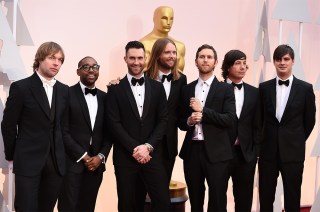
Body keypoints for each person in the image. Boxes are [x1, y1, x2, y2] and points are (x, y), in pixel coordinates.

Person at [1, 41, 69, 211]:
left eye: (60, 60)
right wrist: (12, 154)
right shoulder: (21, 87)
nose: (56, 63)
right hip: (28, 160)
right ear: (40, 58)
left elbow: (63, 126)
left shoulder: (64, 90)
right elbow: (8, 124)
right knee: (25, 208)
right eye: (52, 58)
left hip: (56, 163)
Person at [106, 40, 170, 211]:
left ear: (146, 58)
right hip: (125, 158)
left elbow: (163, 120)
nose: (136, 62)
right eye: (132, 58)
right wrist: (136, 148)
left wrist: (148, 147)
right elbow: (113, 123)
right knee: (128, 205)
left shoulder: (157, 88)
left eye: (140, 58)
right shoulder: (114, 89)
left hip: (153, 156)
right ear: (125, 59)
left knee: (163, 203)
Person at [178, 44, 236, 211]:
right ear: (196, 61)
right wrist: (189, 120)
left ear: (216, 62)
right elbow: (180, 121)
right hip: (192, 151)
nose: (205, 60)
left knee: (217, 200)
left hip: (218, 152)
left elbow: (230, 119)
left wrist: (204, 111)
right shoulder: (187, 89)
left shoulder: (225, 89)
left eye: (209, 57)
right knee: (195, 199)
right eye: (202, 57)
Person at [258, 44, 316, 211]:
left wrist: (295, 139)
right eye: (278, 59)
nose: (282, 63)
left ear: (292, 61)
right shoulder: (264, 88)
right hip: (268, 151)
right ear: (274, 62)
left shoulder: (305, 89)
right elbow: (259, 119)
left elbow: (309, 120)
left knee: (292, 196)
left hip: (293, 152)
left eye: (286, 59)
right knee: (266, 196)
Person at [58, 56, 112, 212]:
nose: (91, 70)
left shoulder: (105, 97)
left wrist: (100, 156)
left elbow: (110, 133)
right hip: (71, 164)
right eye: (86, 67)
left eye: (95, 67)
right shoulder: (66, 94)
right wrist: (84, 156)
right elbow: (63, 130)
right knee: (67, 207)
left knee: (88, 207)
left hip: (96, 166)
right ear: (78, 71)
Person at [221, 50, 259, 212]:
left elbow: (258, 124)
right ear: (228, 67)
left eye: (244, 63)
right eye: (237, 63)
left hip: (245, 155)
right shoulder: (217, 89)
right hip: (220, 153)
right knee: (217, 198)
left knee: (244, 200)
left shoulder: (254, 92)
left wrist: (255, 151)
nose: (242, 67)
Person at [140, 6, 186, 71]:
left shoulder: (180, 46)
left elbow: (180, 76)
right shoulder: (143, 44)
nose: (168, 23)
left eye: (171, 19)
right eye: (164, 18)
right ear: (154, 19)